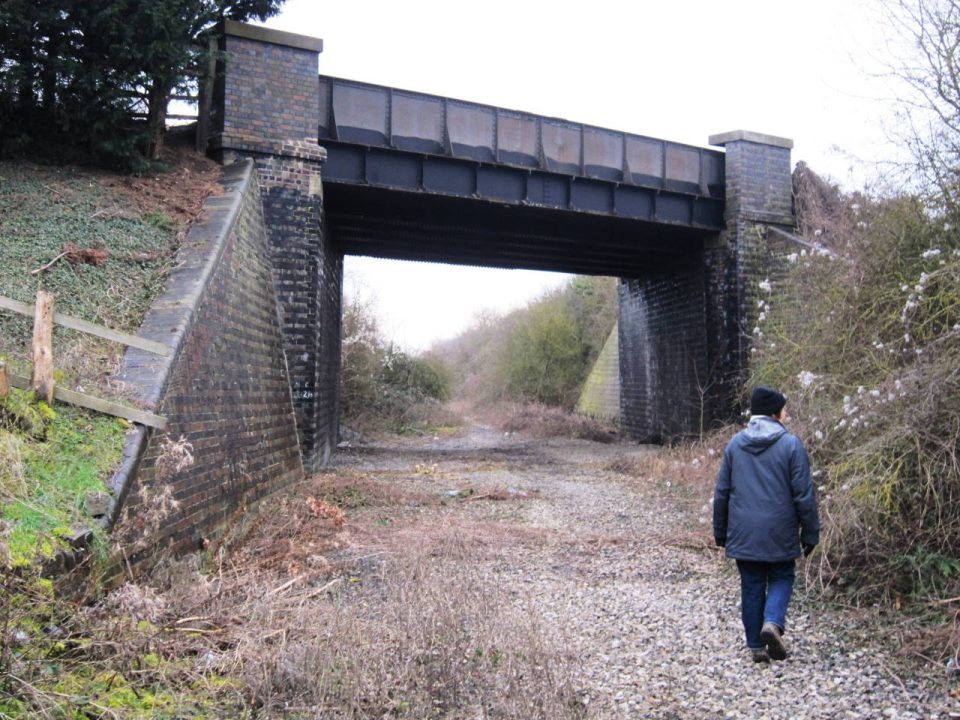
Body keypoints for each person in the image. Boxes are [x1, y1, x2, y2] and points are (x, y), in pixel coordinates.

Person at [712, 386, 820, 663]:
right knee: (782, 575)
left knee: (751, 584)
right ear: (775, 413)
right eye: (784, 409)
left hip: (744, 532)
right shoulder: (791, 445)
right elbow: (803, 494)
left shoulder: (735, 444)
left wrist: (720, 531)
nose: (786, 414)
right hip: (780, 530)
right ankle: (772, 622)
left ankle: (756, 646)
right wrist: (810, 532)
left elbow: (722, 491)